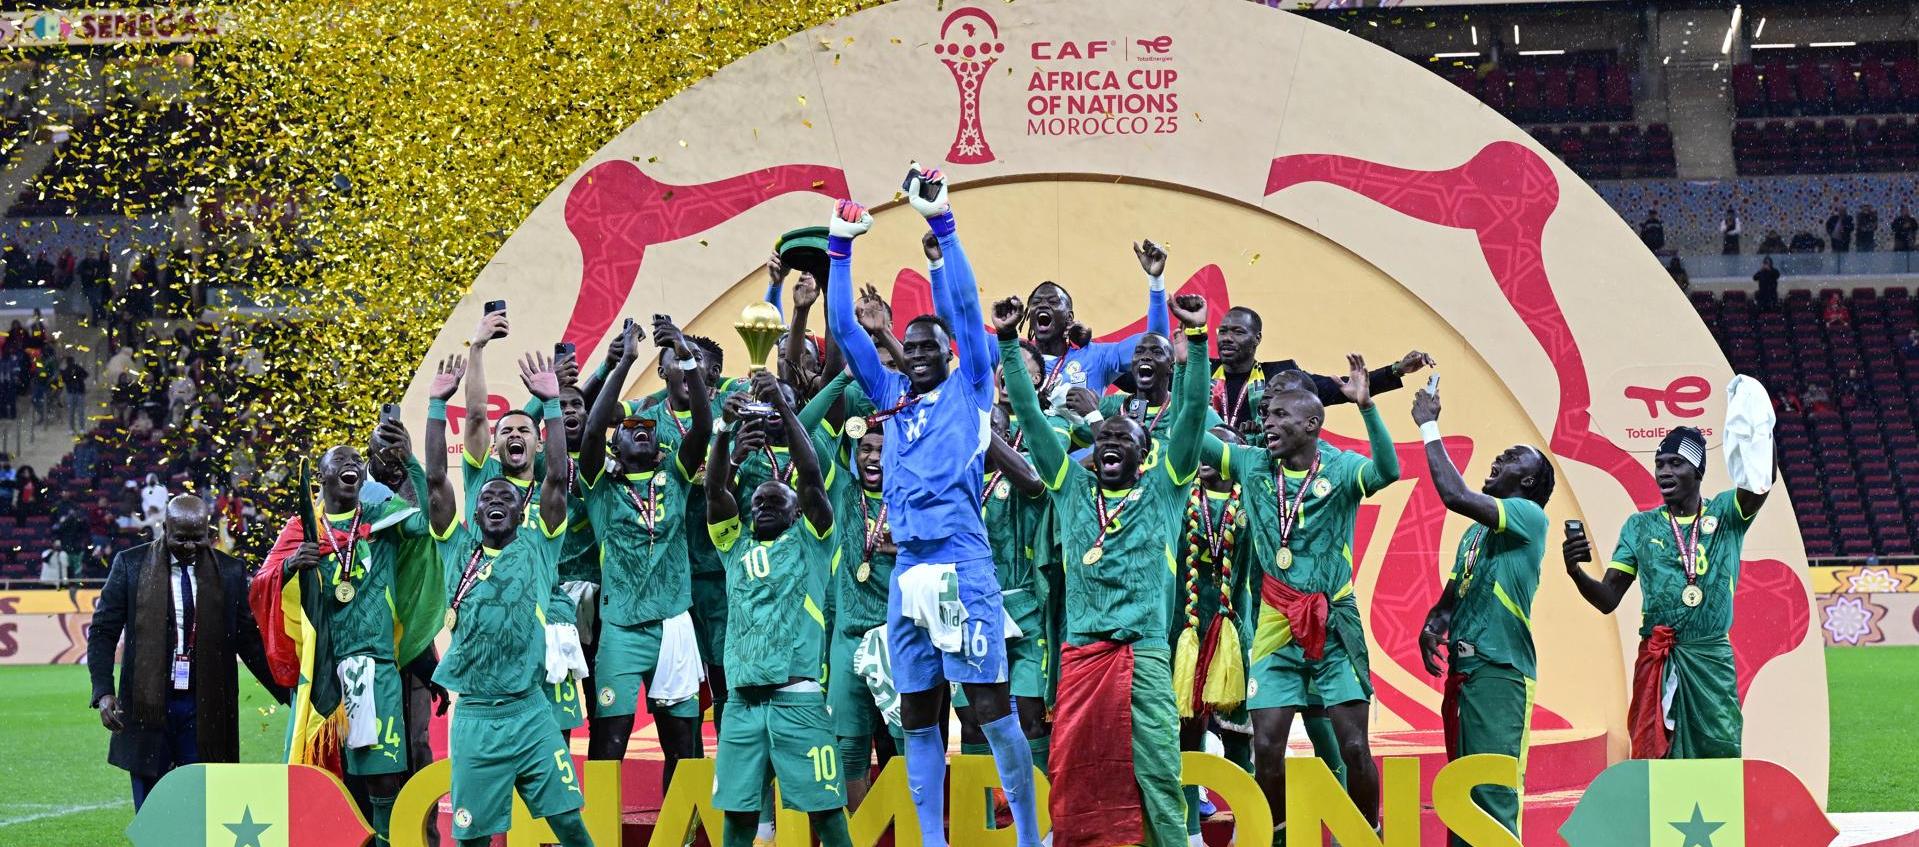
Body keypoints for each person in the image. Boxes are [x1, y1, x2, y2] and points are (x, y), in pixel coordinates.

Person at [824, 168, 1041, 847]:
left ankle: (1032, 838)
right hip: (906, 576)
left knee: (988, 710)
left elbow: (969, 308)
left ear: (949, 355)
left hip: (963, 567)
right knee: (918, 715)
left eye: (928, 348)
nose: (915, 355)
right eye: (908, 347)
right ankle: (931, 841)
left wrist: (942, 224)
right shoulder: (889, 393)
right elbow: (842, 330)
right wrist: (838, 247)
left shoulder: (970, 387)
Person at [999, 291, 1211, 847]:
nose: (1113, 440)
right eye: (1106, 436)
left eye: (1127, 438)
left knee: (1158, 775)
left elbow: (1190, 416)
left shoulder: (1165, 491)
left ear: (1145, 454)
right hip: (1083, 658)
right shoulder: (1071, 489)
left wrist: (1198, 338)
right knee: (1078, 782)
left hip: (1142, 656)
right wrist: (1003, 341)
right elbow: (1026, 415)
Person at [1202, 353, 1401, 840]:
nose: (1267, 423)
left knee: (1354, 748)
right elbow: (1193, 439)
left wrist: (1367, 408)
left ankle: (1365, 833)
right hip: (1275, 623)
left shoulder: (1342, 467)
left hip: (1334, 623)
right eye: (1266, 416)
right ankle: (1281, 834)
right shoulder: (1251, 465)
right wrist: (1185, 373)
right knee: (1267, 748)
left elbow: (1389, 470)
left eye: (1280, 417)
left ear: (1312, 424)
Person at [423, 351, 594, 847]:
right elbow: (436, 482)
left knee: (570, 826)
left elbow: (558, 478)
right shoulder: (456, 547)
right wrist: (437, 405)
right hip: (475, 718)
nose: (496, 502)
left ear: (524, 511)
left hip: (530, 712)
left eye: (506, 499)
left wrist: (552, 405)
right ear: (473, 515)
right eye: (486, 500)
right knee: (473, 841)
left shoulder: (541, 542)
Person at [703, 370, 856, 847]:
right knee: (738, 820)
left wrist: (786, 410)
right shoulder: (733, 545)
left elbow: (810, 479)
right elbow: (714, 492)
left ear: (797, 512)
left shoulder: (812, 540)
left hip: (798, 699)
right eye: (757, 500)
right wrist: (724, 432)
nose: (764, 504)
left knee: (828, 816)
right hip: (742, 704)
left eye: (776, 500)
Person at [1562, 421, 1772, 760]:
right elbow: (1607, 599)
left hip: (1709, 661)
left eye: (1676, 463)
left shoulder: (1725, 513)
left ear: (1698, 470)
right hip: (1657, 659)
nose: (1664, 471)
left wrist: (1759, 422)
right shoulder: (1640, 527)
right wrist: (1576, 572)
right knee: (1653, 754)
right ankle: (1658, 815)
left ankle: (1717, 812)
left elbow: (1761, 483)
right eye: (1660, 464)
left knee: (1718, 749)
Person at [1411, 387, 1556, 845]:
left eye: (1512, 458)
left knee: (1492, 794)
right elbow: (1454, 596)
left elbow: (1454, 494)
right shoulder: (1475, 536)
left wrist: (1428, 425)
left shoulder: (1530, 516)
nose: (1498, 458)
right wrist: (1435, 622)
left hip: (1500, 671)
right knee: (1462, 799)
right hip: (1466, 671)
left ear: (1528, 481)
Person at [576, 317, 712, 792]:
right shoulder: (598, 486)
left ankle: (681, 834)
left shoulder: (675, 473)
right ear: (614, 444)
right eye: (629, 427)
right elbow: (591, 431)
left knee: (684, 745)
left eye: (647, 428)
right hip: (621, 631)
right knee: (608, 742)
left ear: (659, 446)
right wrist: (625, 363)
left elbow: (704, 423)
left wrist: (685, 354)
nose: (639, 429)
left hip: (674, 623)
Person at [87, 495, 287, 810]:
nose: (190, 546)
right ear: (164, 528)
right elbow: (102, 631)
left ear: (208, 532)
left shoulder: (230, 572)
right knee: (153, 808)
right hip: (148, 704)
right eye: (181, 538)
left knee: (204, 804)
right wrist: (103, 692)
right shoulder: (131, 565)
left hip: (207, 705)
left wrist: (288, 692)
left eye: (198, 538)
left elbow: (248, 640)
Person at [280, 435, 433, 845]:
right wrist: (291, 567)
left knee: (383, 777)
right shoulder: (302, 529)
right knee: (332, 777)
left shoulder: (382, 518)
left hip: (375, 665)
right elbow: (263, 586)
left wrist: (412, 464)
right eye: (340, 460)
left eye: (356, 460)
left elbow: (427, 522)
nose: (352, 463)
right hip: (324, 674)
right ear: (323, 476)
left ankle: (387, 840)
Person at [459, 311, 591, 741]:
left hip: (548, 616)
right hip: (492, 618)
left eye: (525, 430)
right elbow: (477, 416)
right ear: (496, 445)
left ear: (537, 443)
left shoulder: (551, 485)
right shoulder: (483, 481)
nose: (514, 435)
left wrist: (552, 402)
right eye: (506, 431)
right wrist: (476, 348)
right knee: (497, 728)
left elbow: (557, 467)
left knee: (553, 735)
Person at [1169, 426, 1255, 846]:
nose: (1205, 456)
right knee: (1185, 732)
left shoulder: (1254, 503)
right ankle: (1188, 833)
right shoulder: (1182, 499)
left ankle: (1249, 826)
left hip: (1236, 630)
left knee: (1241, 734)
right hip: (1184, 630)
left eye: (1215, 447)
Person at [1210, 305, 1427, 445]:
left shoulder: (1280, 375)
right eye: (1223, 331)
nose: (1227, 338)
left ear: (1257, 338)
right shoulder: (1201, 371)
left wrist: (1397, 369)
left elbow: (1339, 388)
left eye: (1238, 332)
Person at [1020, 239, 1169, 395]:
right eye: (1036, 302)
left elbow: (1157, 340)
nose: (1043, 305)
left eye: (1053, 302)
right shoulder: (1014, 358)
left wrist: (1156, 281)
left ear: (1069, 318)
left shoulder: (1097, 357)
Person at [64, 356, 88, 432]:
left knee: (73, 412)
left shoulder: (67, 370)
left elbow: (64, 380)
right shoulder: (75, 368)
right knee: (79, 412)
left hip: (73, 392)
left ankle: (74, 428)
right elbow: (86, 375)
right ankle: (80, 428)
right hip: (77, 392)